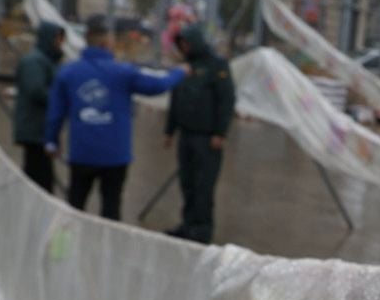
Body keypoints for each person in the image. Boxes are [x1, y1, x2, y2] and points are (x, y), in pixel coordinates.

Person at [44, 14, 187, 221]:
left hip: (82, 154)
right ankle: (106, 251)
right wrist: (180, 72)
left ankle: (65, 249)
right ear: (105, 43)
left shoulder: (68, 73)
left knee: (74, 206)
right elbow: (158, 86)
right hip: (115, 156)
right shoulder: (123, 72)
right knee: (111, 208)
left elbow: (55, 114)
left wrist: (51, 141)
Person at [163, 23, 236, 244]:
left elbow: (227, 101)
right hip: (186, 136)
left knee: (204, 186)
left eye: (186, 43)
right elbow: (176, 101)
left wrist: (220, 133)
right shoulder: (185, 68)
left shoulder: (217, 66)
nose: (183, 47)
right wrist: (169, 130)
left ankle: (202, 230)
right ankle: (188, 225)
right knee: (188, 184)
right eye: (180, 44)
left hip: (207, 138)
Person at [12, 21, 65, 193]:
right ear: (49, 39)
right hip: (34, 131)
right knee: (40, 181)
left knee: (37, 178)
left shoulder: (47, 61)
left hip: (40, 130)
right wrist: (63, 100)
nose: (60, 43)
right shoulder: (34, 61)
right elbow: (36, 91)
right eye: (58, 39)